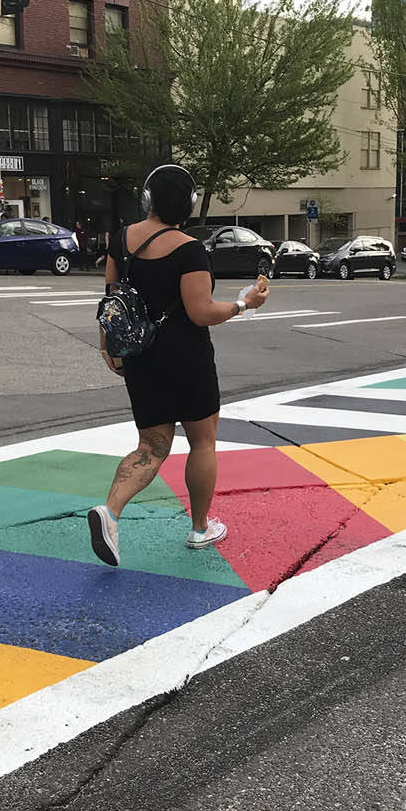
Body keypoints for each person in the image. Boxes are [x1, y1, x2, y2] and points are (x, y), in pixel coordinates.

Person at [87, 164, 269, 567]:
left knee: (151, 447)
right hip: (186, 358)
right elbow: (201, 312)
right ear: (187, 204)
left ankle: (111, 513)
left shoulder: (121, 240)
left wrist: (108, 347)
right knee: (202, 442)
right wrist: (244, 304)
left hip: (139, 357)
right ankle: (201, 528)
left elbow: (112, 300)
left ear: (148, 199)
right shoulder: (190, 250)